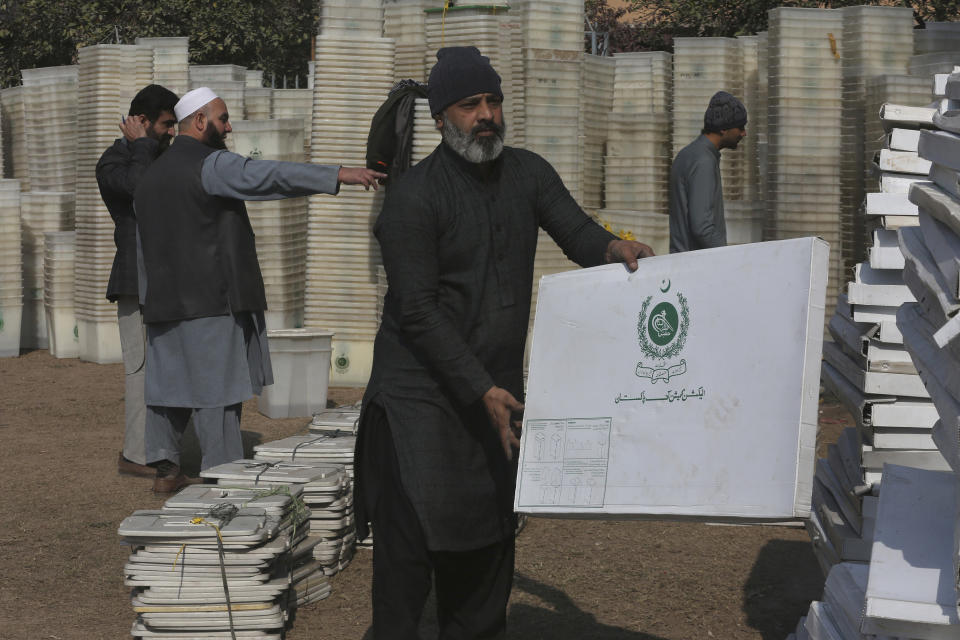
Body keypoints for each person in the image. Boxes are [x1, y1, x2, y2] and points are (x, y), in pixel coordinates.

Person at [354, 46, 654, 639]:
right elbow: (416, 311)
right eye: (470, 105)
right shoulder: (414, 197)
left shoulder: (527, 172)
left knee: (488, 546)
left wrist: (614, 248)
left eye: (493, 101)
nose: (486, 114)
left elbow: (574, 228)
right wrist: (479, 387)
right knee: (407, 568)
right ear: (442, 117)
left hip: (494, 393)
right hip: (422, 402)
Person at [133, 87, 385, 493]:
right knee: (217, 395)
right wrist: (337, 174)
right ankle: (223, 477)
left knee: (168, 390)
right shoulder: (209, 164)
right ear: (200, 121)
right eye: (223, 118)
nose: (229, 127)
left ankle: (166, 473)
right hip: (210, 301)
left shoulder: (150, 177)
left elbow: (142, 252)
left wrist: (150, 302)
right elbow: (268, 175)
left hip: (163, 304)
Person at [96, 84, 178, 478]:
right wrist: (143, 146)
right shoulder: (113, 161)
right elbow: (137, 191)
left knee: (172, 366)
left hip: (171, 275)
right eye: (165, 124)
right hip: (134, 278)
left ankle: (163, 449)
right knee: (140, 368)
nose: (172, 132)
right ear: (141, 122)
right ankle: (135, 455)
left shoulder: (162, 153)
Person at [668, 90, 747, 253]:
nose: (743, 133)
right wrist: (726, 258)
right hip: (696, 266)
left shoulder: (688, 154)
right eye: (740, 127)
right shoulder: (703, 161)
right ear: (723, 129)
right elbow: (702, 227)